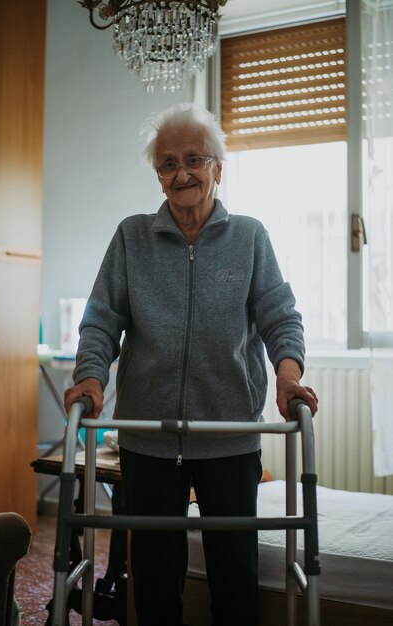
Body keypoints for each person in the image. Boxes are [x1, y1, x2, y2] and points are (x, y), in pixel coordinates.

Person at [64, 103, 318, 626]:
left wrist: (288, 376)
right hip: (148, 435)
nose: (181, 173)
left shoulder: (249, 237)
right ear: (158, 176)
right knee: (154, 577)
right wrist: (90, 377)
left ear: (218, 168)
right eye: (167, 163)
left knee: (234, 573)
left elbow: (280, 316)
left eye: (194, 159)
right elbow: (101, 321)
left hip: (227, 430)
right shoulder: (132, 238)